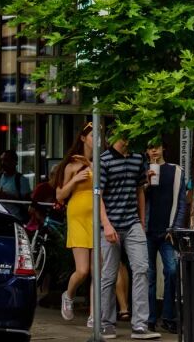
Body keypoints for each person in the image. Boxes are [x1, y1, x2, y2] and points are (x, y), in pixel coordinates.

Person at [98, 130, 160, 339]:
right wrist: (106, 224)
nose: (127, 141)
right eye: (124, 137)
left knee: (142, 268)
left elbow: (139, 190)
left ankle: (140, 325)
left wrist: (141, 223)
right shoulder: (103, 160)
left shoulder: (138, 158)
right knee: (108, 274)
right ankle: (106, 323)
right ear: (113, 138)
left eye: (129, 136)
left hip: (132, 222)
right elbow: (97, 195)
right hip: (110, 223)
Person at [143, 140, 189, 335]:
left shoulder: (176, 170)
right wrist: (145, 182)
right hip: (147, 230)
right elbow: (138, 198)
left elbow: (181, 203)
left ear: (163, 148)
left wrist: (175, 228)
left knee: (171, 271)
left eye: (157, 146)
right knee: (148, 275)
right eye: (150, 147)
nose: (153, 150)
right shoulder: (143, 171)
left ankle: (168, 316)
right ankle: (150, 318)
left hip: (168, 231)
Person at [56, 123, 95, 323]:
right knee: (83, 270)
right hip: (78, 217)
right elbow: (60, 195)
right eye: (91, 136)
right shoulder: (71, 165)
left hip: (97, 217)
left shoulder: (98, 164)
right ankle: (68, 295)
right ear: (83, 138)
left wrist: (89, 166)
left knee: (97, 270)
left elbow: (102, 183)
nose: (95, 139)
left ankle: (94, 316)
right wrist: (75, 178)